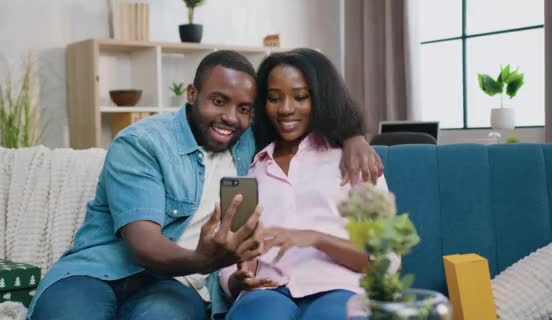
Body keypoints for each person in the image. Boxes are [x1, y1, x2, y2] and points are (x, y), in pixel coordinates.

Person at [28, 50, 382, 320]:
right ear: (192, 93)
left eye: (244, 108)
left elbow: (301, 96)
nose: (230, 117)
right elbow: (144, 243)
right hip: (102, 271)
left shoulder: (249, 143)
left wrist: (353, 137)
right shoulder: (144, 143)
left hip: (176, 286)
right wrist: (205, 260)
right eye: (218, 101)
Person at [220, 48, 396, 320]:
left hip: (340, 287)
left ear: (321, 98)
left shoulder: (354, 161)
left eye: (300, 97)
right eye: (274, 98)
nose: (286, 108)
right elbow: (235, 258)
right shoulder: (251, 168)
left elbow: (382, 261)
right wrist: (238, 279)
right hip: (267, 291)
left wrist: (315, 238)